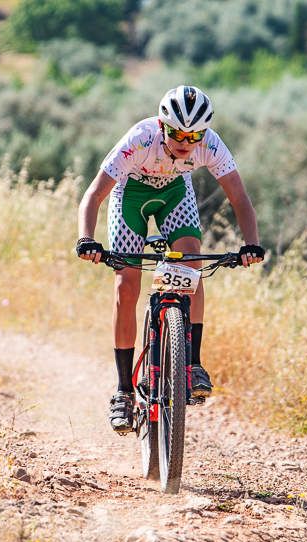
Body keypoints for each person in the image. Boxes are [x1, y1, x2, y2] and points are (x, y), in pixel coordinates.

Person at [76, 85, 265, 433]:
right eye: (177, 132)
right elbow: (93, 195)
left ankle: (192, 364)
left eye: (193, 135)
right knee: (126, 282)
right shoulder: (140, 140)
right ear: (162, 126)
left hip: (176, 195)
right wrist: (87, 238)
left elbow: (239, 197)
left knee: (191, 262)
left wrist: (252, 243)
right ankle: (123, 392)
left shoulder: (210, 145)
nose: (185, 141)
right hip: (129, 198)